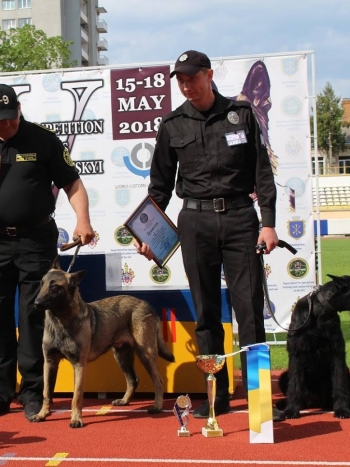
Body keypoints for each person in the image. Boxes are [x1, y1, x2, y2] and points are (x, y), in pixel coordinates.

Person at [135, 51, 281, 420]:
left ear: (208, 75)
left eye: (192, 78)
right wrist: (147, 232)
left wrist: (268, 222)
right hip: (195, 222)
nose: (186, 85)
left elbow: (262, 172)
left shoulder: (241, 114)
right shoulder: (172, 124)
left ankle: (258, 400)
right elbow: (160, 186)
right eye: (180, 80)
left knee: (249, 311)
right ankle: (216, 396)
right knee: (206, 314)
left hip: (240, 219)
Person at [0, 83, 95, 420]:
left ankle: (32, 393)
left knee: (33, 319)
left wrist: (82, 219)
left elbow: (72, 183)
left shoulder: (42, 140)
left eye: (10, 118)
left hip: (35, 241)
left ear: (18, 109)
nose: (6, 125)